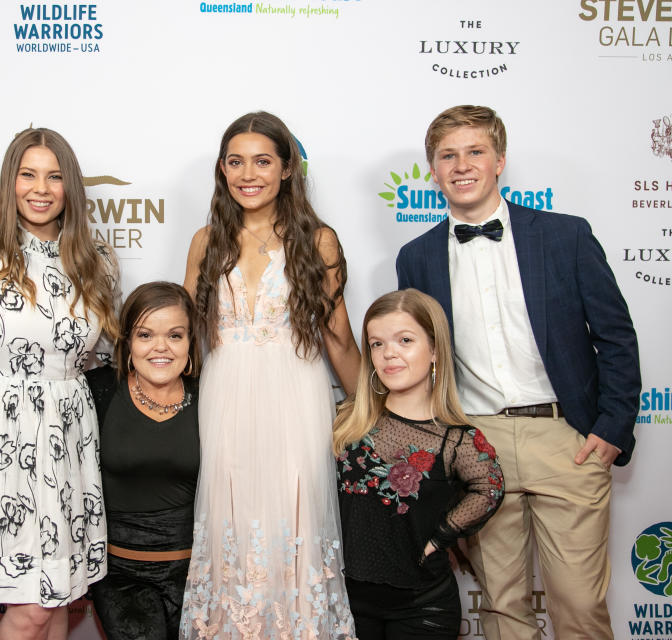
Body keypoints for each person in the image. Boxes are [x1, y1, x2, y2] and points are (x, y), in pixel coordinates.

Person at [396, 105, 640, 639]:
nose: (462, 165)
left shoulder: (565, 235)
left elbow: (616, 337)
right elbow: (419, 367)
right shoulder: (415, 258)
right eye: (447, 156)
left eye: (475, 151)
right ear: (433, 171)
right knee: (503, 609)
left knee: (579, 606)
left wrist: (610, 428)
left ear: (500, 160)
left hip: (565, 438)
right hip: (478, 447)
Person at [179, 111, 360, 639]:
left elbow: (340, 339)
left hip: (296, 401)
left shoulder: (317, 240)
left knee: (294, 525)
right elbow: (187, 338)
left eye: (262, 161)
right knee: (228, 524)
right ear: (221, 169)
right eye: (235, 161)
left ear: (287, 169)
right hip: (225, 402)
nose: (247, 173)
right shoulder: (205, 241)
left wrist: (372, 418)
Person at [0, 127, 119, 640]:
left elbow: (106, 352)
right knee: (29, 609)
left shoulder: (96, 259)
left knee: (57, 599)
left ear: (70, 188)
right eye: (27, 174)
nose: (40, 188)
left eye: (54, 176)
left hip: (67, 438)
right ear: (9, 182)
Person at [332, 289, 504, 639]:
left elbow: (490, 487)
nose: (388, 354)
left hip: (422, 608)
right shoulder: (347, 421)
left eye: (404, 340)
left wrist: (441, 537)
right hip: (346, 604)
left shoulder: (457, 438)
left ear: (435, 349)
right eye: (377, 344)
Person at [85, 281, 200, 640]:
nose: (161, 347)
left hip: (197, 577)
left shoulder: (212, 397)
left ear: (190, 343)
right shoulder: (96, 390)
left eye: (175, 335)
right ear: (128, 343)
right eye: (146, 334)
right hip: (120, 580)